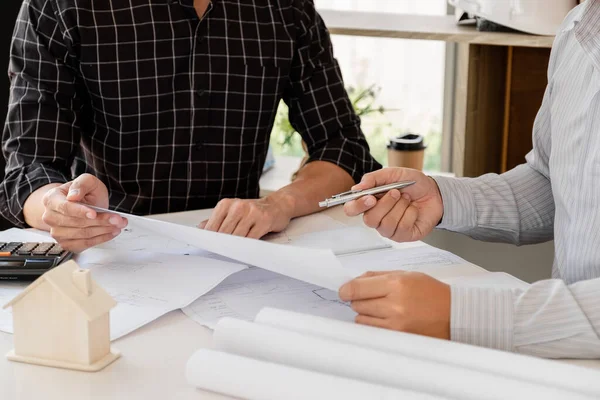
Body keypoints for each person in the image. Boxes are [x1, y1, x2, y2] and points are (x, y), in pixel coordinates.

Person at [0, 0, 380, 252]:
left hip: (245, 254)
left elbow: (344, 147)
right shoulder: (62, 6)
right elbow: (27, 170)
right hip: (112, 252)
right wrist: (56, 207)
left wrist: (277, 204)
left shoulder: (285, 8)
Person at [339, 0, 600, 359]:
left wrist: (458, 313)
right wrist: (442, 198)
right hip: (562, 362)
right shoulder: (579, 29)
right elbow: (550, 181)